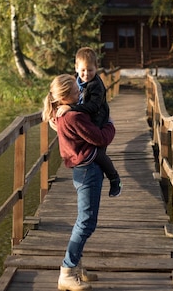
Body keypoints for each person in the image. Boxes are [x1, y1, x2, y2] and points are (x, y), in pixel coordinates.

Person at [43, 74, 116, 291]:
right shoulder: (73, 117)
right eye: (76, 91)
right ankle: (67, 271)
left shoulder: (60, 113)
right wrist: (110, 125)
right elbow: (101, 138)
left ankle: (76, 268)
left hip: (82, 169)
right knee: (86, 222)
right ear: (64, 97)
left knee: (82, 221)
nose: (81, 93)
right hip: (88, 171)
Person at [57, 47, 122, 197]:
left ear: (97, 68)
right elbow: (64, 92)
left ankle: (114, 178)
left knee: (98, 152)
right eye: (83, 70)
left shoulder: (96, 85)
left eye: (91, 71)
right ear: (76, 68)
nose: (86, 74)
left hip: (98, 118)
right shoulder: (75, 80)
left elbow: (93, 106)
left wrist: (71, 107)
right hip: (85, 118)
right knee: (86, 150)